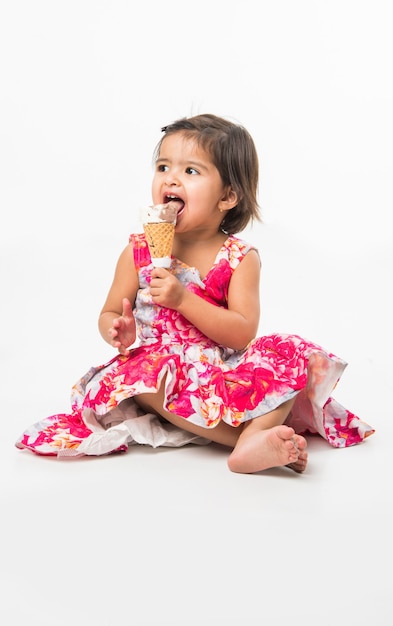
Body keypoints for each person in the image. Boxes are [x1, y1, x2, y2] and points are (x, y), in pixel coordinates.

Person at [15, 113, 374, 473]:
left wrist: (184, 300)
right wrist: (118, 330)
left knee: (289, 353)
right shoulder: (138, 252)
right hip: (156, 366)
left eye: (190, 171)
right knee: (145, 372)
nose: (171, 177)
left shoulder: (238, 259)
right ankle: (246, 440)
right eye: (163, 166)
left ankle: (258, 436)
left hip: (217, 371)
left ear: (228, 196)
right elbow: (109, 312)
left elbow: (242, 333)